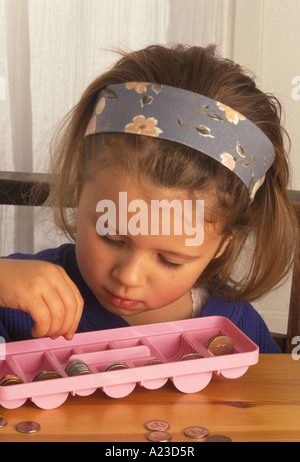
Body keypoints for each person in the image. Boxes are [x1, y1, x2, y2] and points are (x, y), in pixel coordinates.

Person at [0, 44, 297, 353]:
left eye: (169, 260)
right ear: (80, 182)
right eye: (112, 237)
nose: (128, 277)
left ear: (223, 243)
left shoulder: (239, 331)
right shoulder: (14, 299)